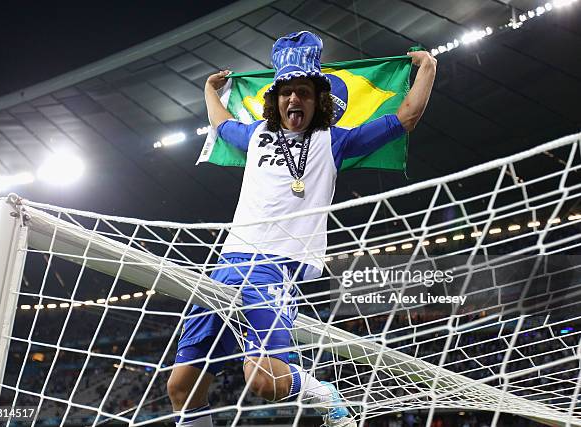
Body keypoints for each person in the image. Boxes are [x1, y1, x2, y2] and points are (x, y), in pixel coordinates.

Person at [167, 31, 436, 427]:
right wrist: (209, 89)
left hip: (275, 266)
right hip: (225, 265)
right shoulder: (256, 135)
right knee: (181, 388)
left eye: (305, 92)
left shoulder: (335, 142)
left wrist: (427, 68)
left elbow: (405, 118)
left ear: (318, 100)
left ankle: (322, 393)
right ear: (275, 101)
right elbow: (222, 124)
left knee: (264, 382)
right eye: (287, 92)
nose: (295, 99)